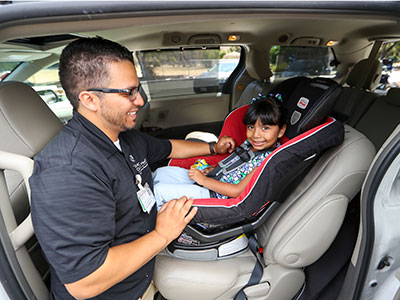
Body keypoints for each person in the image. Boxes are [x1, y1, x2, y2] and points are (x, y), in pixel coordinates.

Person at [29, 37, 235, 300]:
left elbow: (168, 148)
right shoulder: (68, 172)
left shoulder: (122, 136)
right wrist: (162, 233)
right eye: (129, 92)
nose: (139, 101)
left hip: (143, 269)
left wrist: (212, 149)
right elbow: (85, 282)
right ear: (90, 99)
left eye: (138, 90)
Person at [153, 96, 287, 208]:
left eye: (265, 128)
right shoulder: (250, 144)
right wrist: (211, 169)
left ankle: (150, 228)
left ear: (281, 130)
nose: (256, 135)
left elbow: (236, 191)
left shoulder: (267, 160)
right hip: (212, 180)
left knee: (159, 192)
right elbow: (233, 167)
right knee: (161, 172)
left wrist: (204, 180)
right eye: (251, 127)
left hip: (215, 196)